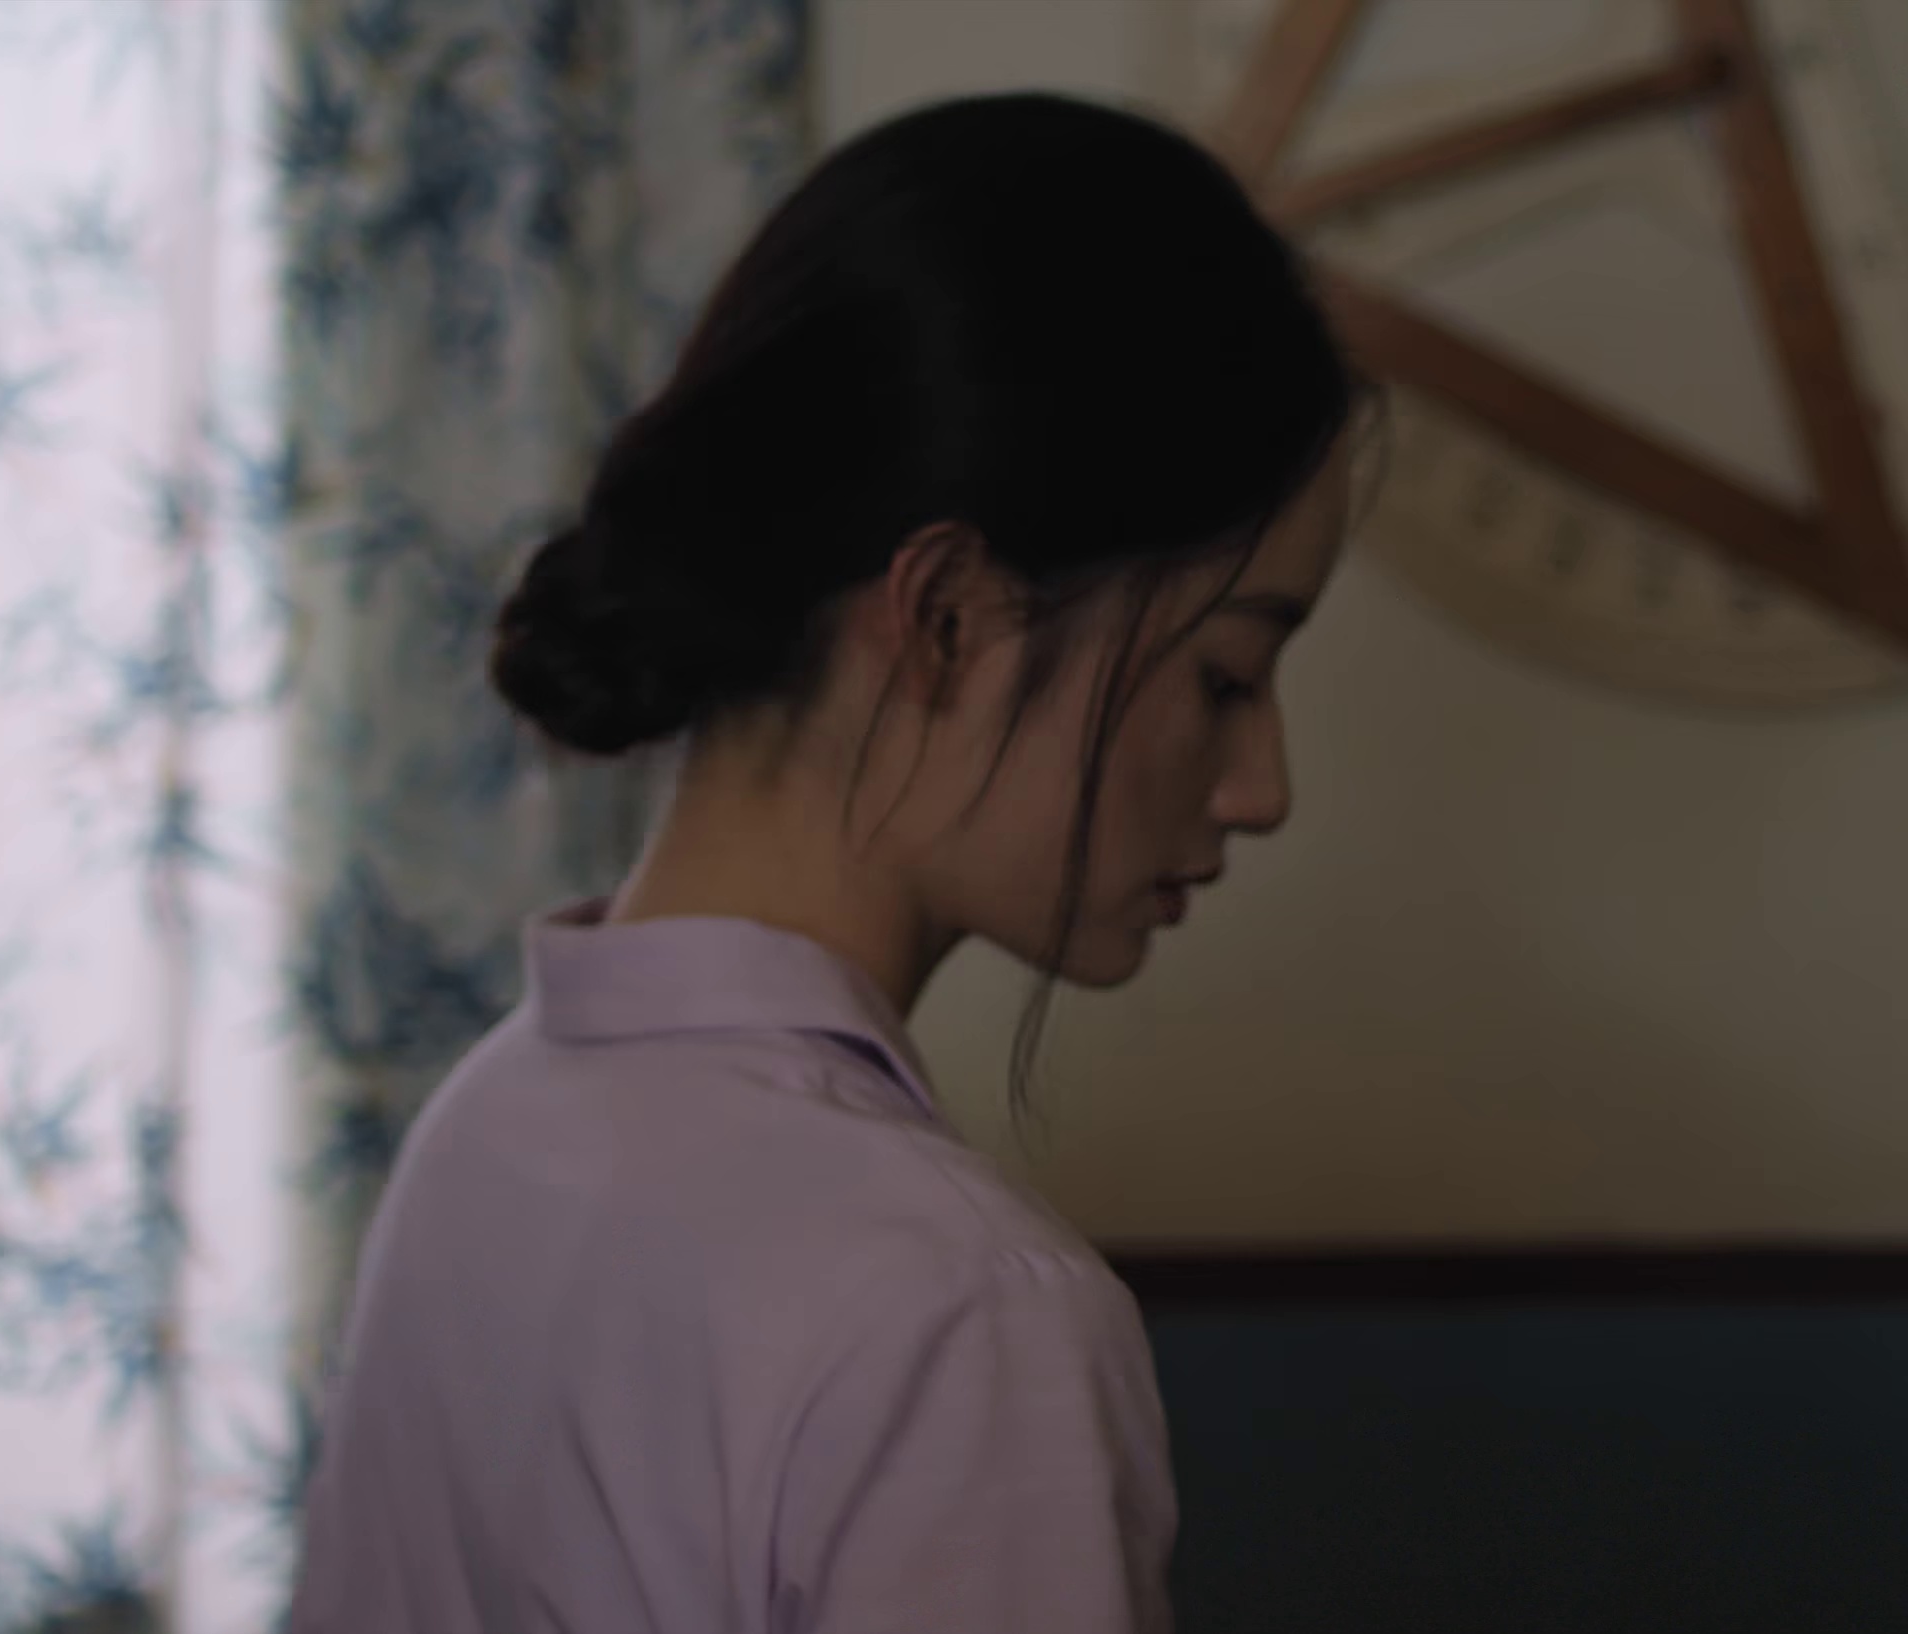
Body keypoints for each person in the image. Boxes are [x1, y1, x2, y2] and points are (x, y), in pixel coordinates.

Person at [282, 92, 1362, 1634]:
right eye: (1228, 675)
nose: (1265, 789)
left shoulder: (489, 1121)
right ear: (948, 616)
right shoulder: (956, 1309)